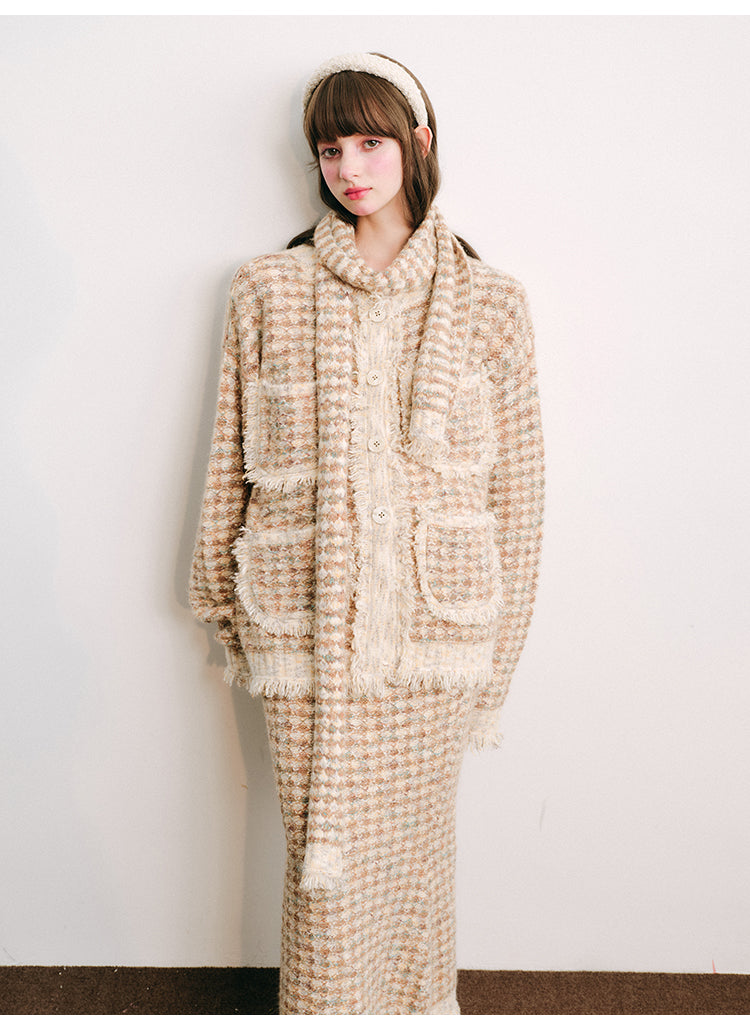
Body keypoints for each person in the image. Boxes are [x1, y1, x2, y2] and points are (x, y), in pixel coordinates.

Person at [190, 52, 544, 1016]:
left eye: (371, 142)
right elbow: (227, 458)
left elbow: (519, 494)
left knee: (420, 861)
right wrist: (224, 607)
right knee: (322, 864)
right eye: (331, 148)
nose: (350, 167)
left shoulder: (492, 303)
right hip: (302, 631)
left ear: (418, 144)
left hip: (439, 635)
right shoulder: (268, 289)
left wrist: (499, 653)